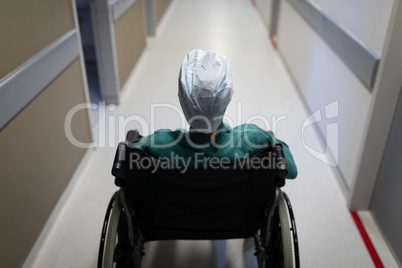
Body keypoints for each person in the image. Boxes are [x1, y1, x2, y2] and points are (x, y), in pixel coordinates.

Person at [133, 49, 297, 179]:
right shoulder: (254, 140)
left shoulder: (158, 144)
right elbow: (291, 170)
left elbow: (125, 171)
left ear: (180, 97)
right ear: (229, 95)